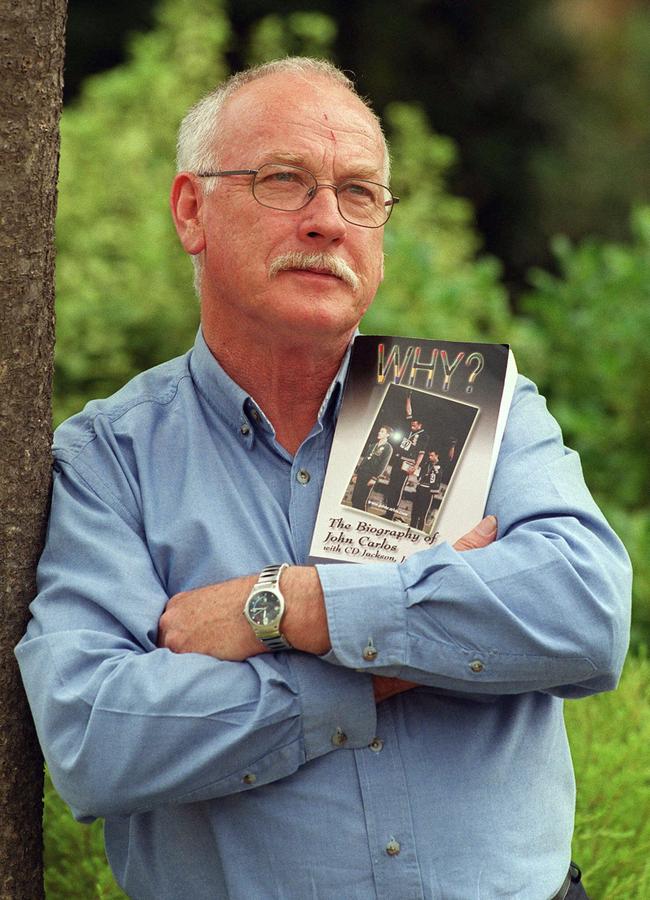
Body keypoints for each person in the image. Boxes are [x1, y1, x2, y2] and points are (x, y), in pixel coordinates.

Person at [16, 58, 631, 900]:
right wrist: (407, 650)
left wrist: (283, 608)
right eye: (285, 181)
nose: (327, 222)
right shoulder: (110, 458)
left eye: (360, 193)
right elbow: (98, 739)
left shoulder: (465, 399)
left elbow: (586, 615)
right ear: (191, 209)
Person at [382, 393, 430, 521]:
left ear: (420, 425)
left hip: (408, 464)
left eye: (414, 425)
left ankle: (391, 514)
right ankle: (387, 511)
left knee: (398, 488)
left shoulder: (424, 436)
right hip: (398, 460)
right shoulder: (410, 427)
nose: (412, 426)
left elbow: (421, 453)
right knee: (391, 486)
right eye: (411, 425)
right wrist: (408, 398)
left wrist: (415, 466)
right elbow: (408, 411)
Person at [350, 425, 393, 510]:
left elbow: (383, 465)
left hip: (370, 476)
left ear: (387, 435)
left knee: (361, 500)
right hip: (362, 473)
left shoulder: (388, 448)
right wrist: (356, 474)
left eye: (382, 431)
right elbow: (365, 459)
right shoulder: (373, 445)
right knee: (354, 498)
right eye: (379, 431)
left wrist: (374, 478)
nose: (379, 432)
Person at [410, 449, 442, 532]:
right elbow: (420, 473)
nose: (430, 457)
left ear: (437, 456)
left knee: (422, 514)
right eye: (429, 455)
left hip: (428, 491)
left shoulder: (440, 466)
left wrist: (433, 489)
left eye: (432, 455)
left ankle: (419, 531)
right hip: (420, 488)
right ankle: (411, 528)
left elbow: (438, 480)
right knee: (414, 511)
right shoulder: (427, 463)